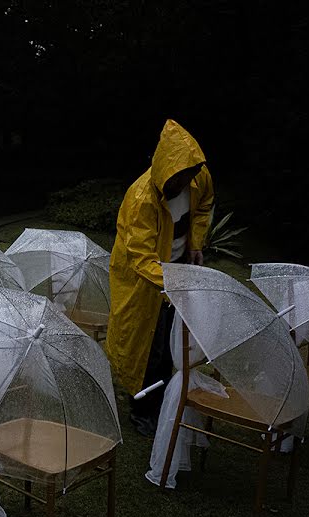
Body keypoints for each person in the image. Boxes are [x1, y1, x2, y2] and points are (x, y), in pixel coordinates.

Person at [105, 119, 215, 437]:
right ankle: (142, 412)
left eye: (189, 176)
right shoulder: (141, 200)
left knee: (170, 345)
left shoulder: (198, 177)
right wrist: (174, 283)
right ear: (167, 171)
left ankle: (165, 403)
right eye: (180, 177)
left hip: (176, 271)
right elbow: (141, 259)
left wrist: (195, 244)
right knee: (145, 349)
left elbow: (205, 203)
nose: (186, 182)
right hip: (143, 281)